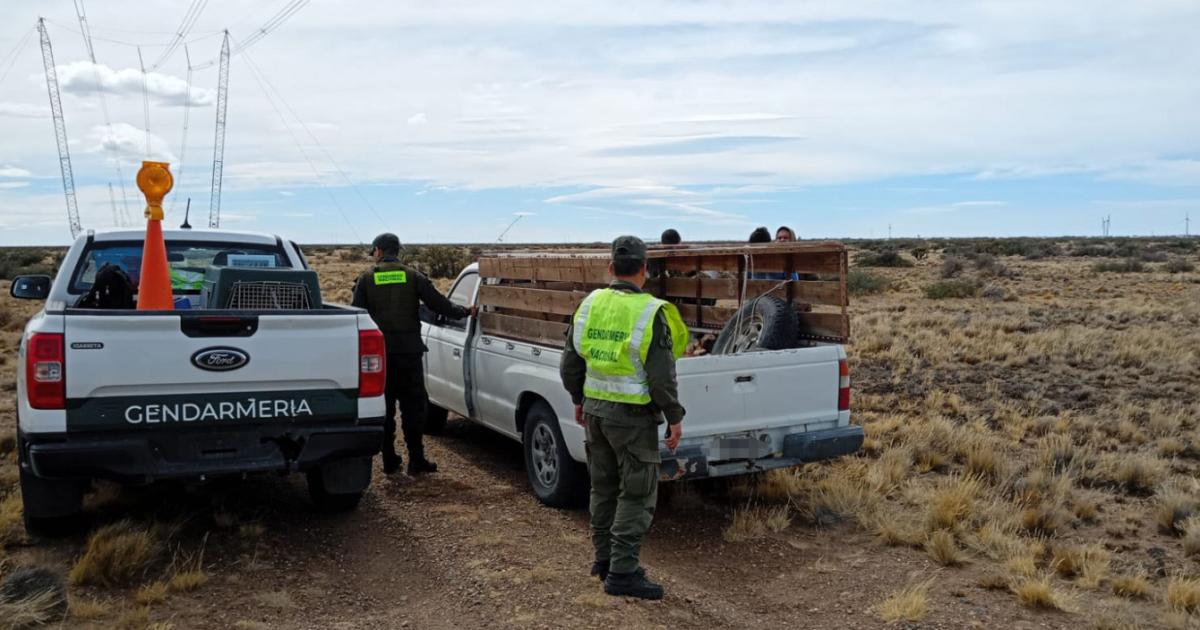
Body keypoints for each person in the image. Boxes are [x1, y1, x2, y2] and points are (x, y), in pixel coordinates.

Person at [560, 236, 689, 600]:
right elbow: (661, 378)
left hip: (596, 414)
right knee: (636, 494)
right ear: (645, 269)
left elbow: (570, 364)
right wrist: (674, 416)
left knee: (602, 488)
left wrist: (579, 399)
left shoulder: (590, 303)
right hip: (633, 420)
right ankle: (623, 573)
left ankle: (604, 561)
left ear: (611, 268)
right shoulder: (651, 311)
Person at [352, 233, 475, 476]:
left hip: (380, 358)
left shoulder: (366, 279)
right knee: (413, 409)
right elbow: (440, 305)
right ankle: (416, 460)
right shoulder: (413, 276)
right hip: (409, 354)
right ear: (397, 251)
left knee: (384, 409)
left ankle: (389, 460)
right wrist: (466, 312)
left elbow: (357, 315)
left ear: (378, 251)